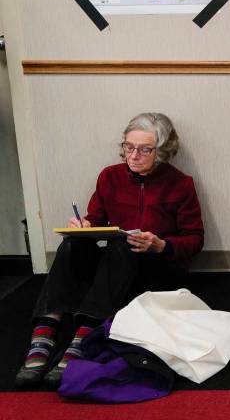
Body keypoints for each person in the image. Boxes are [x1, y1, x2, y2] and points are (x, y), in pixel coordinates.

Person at [15, 112, 204, 388]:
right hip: (115, 269)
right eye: (129, 146)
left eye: (145, 149)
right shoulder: (109, 177)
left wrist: (161, 245)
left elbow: (195, 239)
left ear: (162, 151)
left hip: (155, 270)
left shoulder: (180, 184)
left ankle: (84, 337)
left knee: (123, 247)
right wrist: (84, 226)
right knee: (73, 243)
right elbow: (96, 220)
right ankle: (44, 333)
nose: (133, 155)